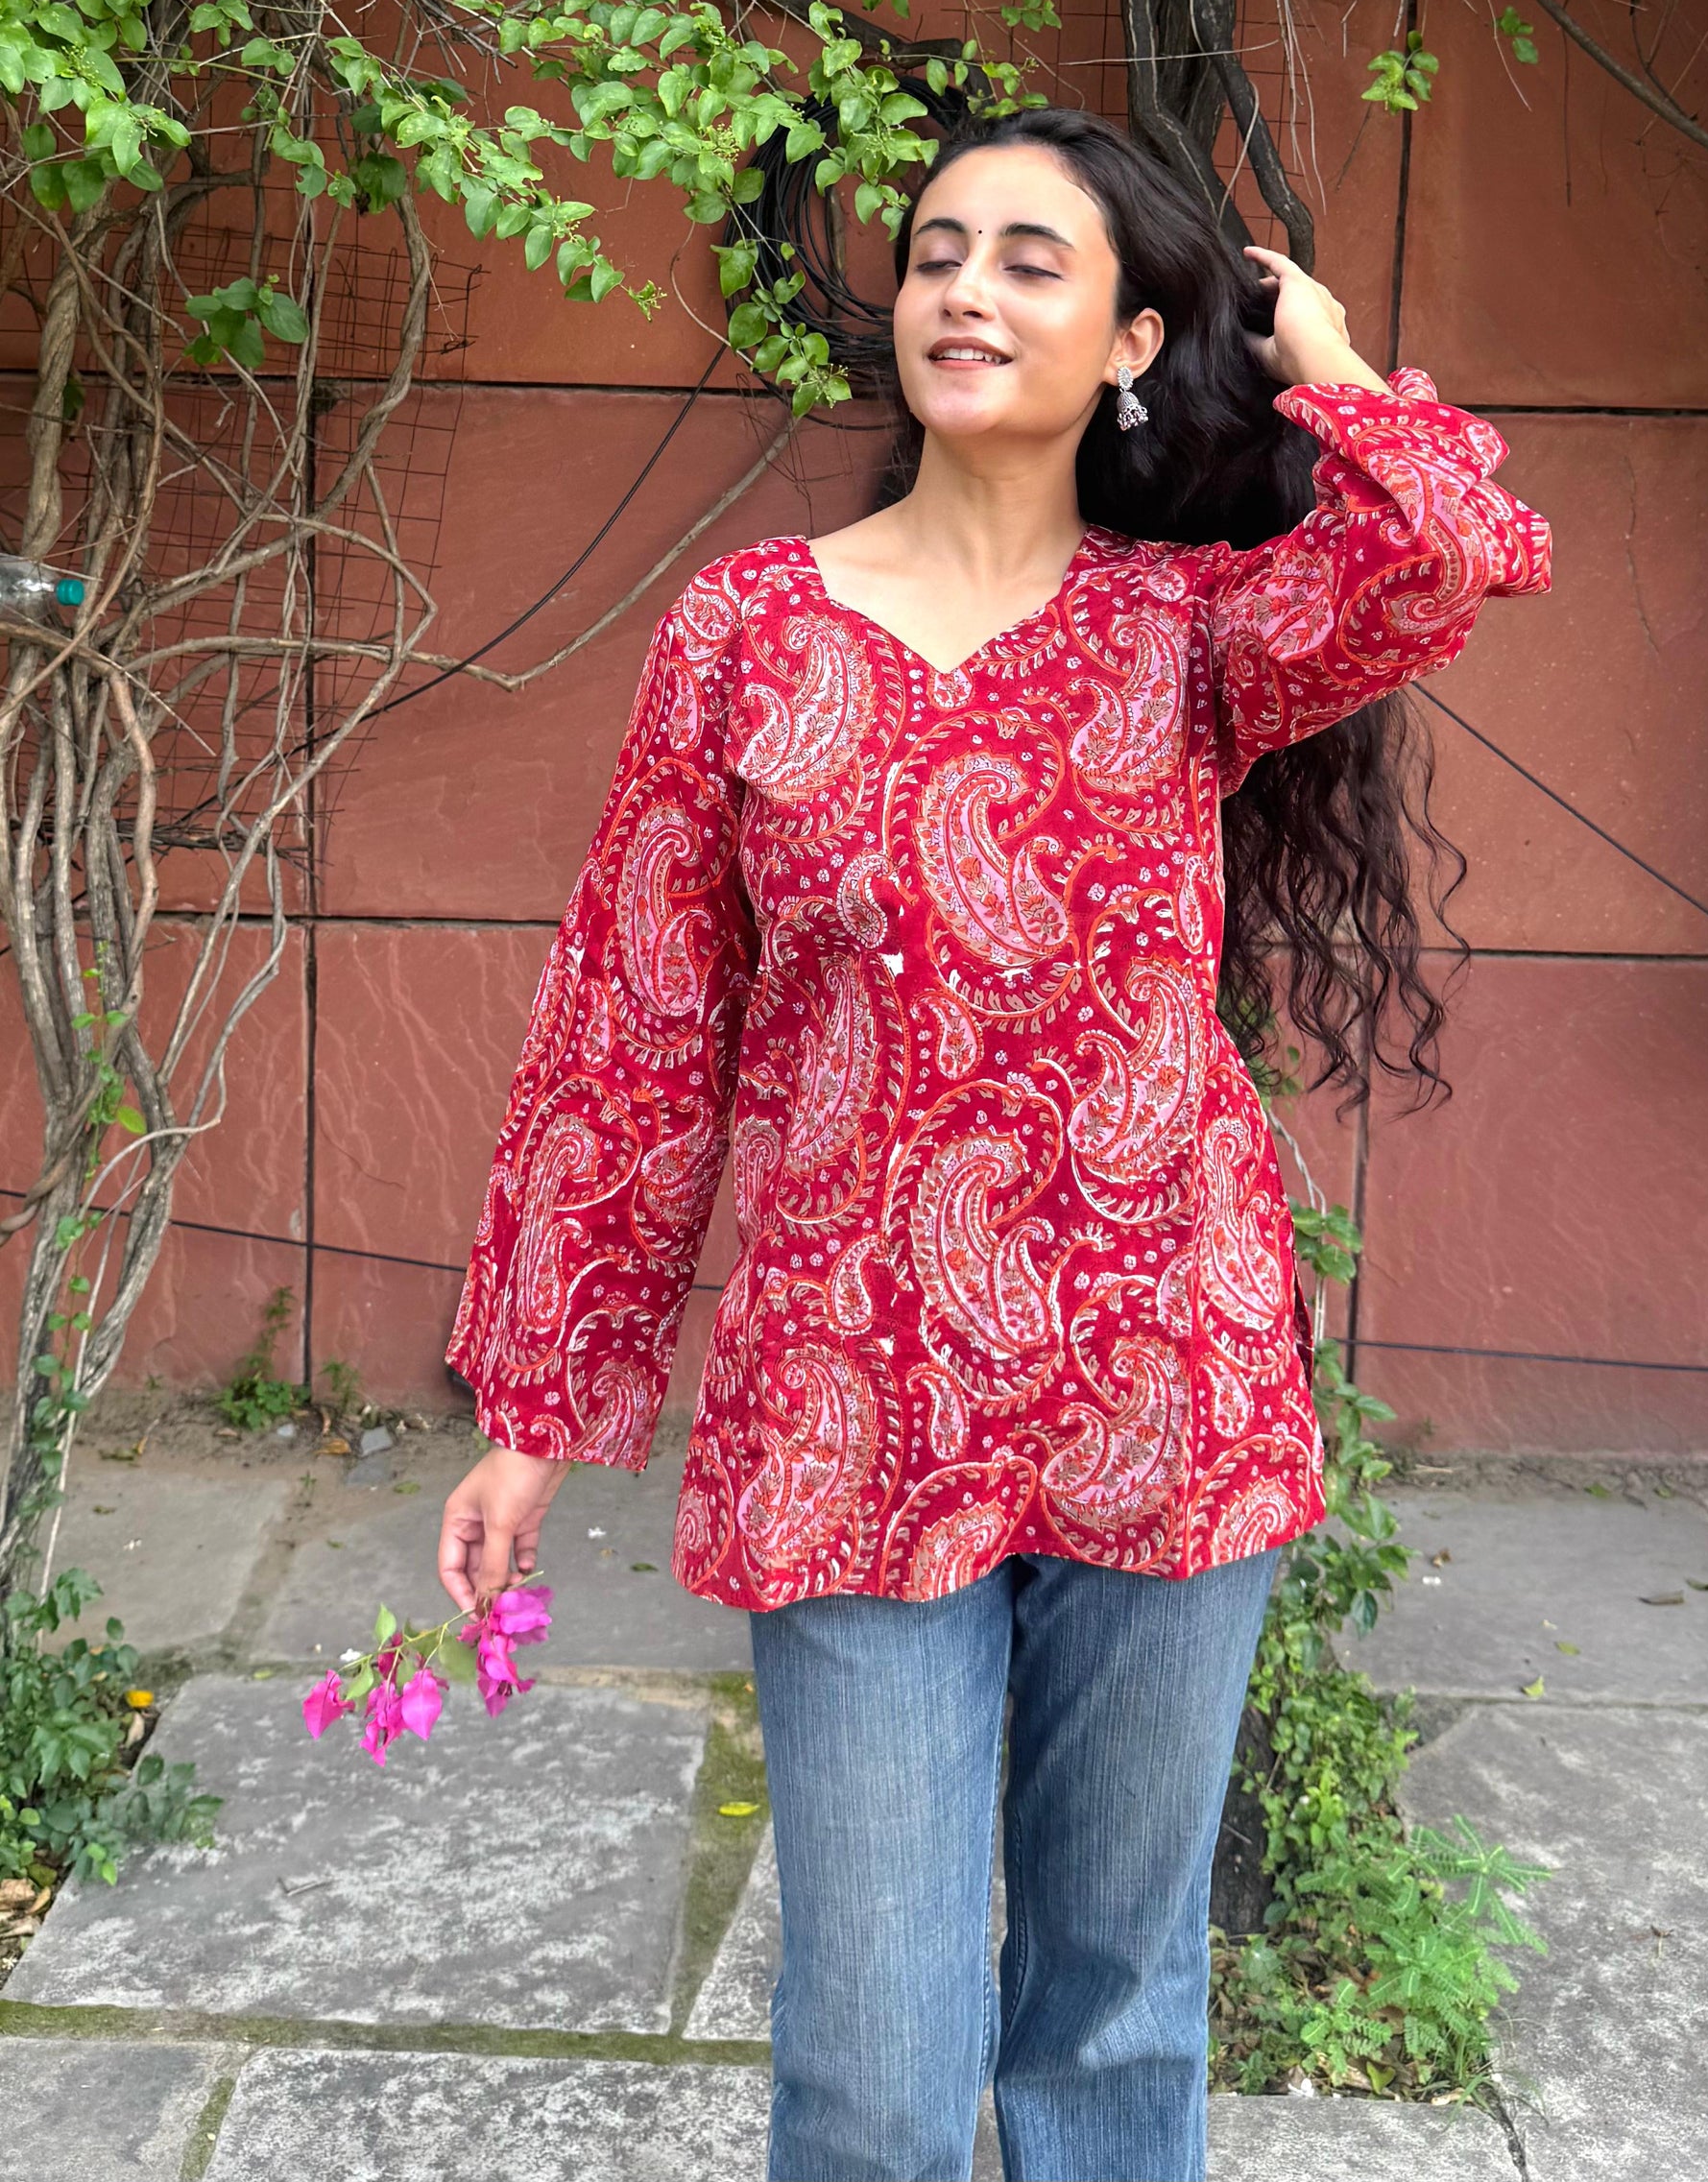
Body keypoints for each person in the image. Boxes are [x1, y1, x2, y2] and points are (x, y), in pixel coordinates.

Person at [436, 107, 1552, 2182]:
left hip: (1165, 1385)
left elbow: (1454, 553)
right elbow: (638, 1023)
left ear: (1134, 333)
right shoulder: (747, 632)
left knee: (1113, 2018)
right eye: (936, 248)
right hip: (848, 1405)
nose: (962, 287)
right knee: (869, 2057)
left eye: (1032, 259)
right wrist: (537, 1401)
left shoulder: (1191, 636)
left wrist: (1324, 361)